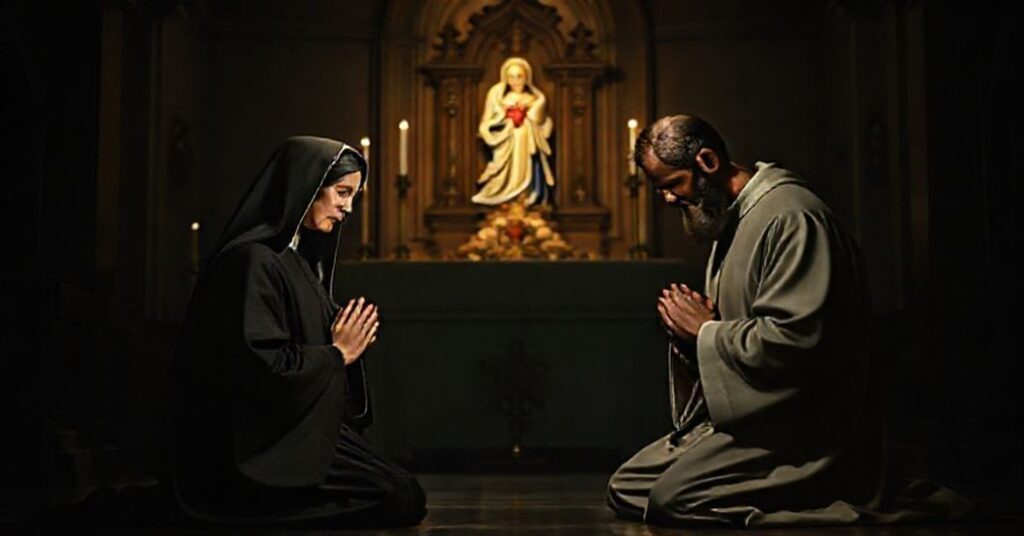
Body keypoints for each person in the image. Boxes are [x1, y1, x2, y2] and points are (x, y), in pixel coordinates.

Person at [606, 115, 971, 527]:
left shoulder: (792, 217)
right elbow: (741, 326)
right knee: (628, 485)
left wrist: (706, 333)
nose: (669, 200)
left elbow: (798, 342)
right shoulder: (734, 218)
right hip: (757, 414)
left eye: (673, 185)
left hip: (803, 428)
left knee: (673, 499)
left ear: (707, 161)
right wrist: (693, 335)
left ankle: (830, 490)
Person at [166, 136, 425, 527]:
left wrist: (343, 347)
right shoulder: (252, 262)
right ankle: (244, 505)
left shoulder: (296, 263)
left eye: (353, 196)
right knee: (395, 497)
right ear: (306, 186)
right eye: (341, 192)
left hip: (294, 428)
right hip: (256, 445)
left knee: (403, 493)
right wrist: (337, 354)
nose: (348, 208)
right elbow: (259, 368)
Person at [473, 56, 555, 206]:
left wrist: (529, 112)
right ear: (506, 79)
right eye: (511, 77)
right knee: (504, 170)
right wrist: (507, 116)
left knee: (529, 168)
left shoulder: (532, 99)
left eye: (519, 76)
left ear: (526, 77)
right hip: (506, 143)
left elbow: (542, 121)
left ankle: (527, 195)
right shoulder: (501, 100)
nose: (515, 80)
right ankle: (505, 194)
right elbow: (489, 122)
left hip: (527, 143)